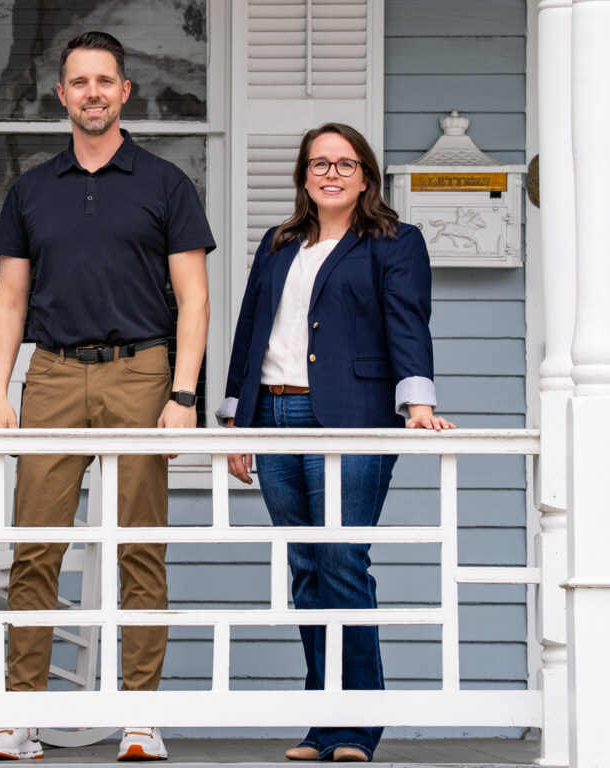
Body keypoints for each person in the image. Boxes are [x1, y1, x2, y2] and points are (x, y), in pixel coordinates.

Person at [0, 31, 216, 763]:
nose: (93, 93)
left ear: (125, 92)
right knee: (35, 546)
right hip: (50, 373)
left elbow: (194, 298)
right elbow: (9, 301)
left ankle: (140, 717)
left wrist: (183, 390)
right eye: (80, 83)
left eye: (105, 81)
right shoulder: (31, 187)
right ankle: (21, 717)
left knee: (140, 545)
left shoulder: (165, 184)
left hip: (140, 371)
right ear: (63, 96)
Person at [218, 123, 454, 763]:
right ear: (303, 175)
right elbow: (250, 332)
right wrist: (237, 420)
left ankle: (355, 728)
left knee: (343, 560)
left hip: (350, 418)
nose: (331, 173)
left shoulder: (394, 242)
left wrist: (419, 403)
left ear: (366, 175)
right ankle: (321, 723)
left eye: (345, 164)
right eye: (319, 163)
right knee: (305, 567)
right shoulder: (277, 242)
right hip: (272, 413)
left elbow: (409, 323)